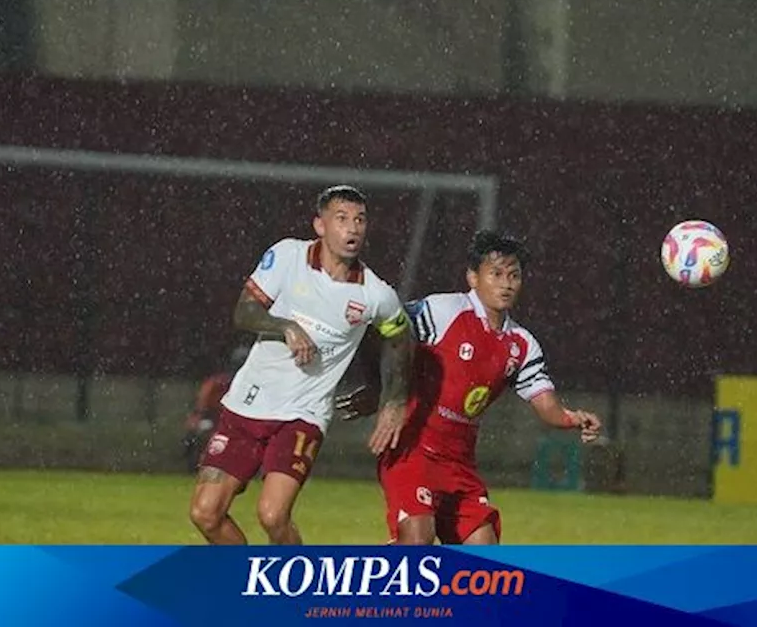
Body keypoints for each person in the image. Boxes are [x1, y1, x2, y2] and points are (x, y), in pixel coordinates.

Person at [187, 185, 414, 545]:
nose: (352, 228)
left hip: (302, 415)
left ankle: (295, 593)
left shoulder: (375, 294)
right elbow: (244, 311)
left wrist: (392, 398)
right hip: (247, 404)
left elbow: (400, 338)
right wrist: (286, 327)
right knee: (205, 513)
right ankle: (250, 584)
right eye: (341, 219)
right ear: (320, 225)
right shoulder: (287, 256)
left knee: (273, 515)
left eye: (360, 220)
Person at [346, 230, 602, 545]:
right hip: (411, 451)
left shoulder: (521, 344)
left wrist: (571, 418)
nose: (506, 283)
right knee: (417, 540)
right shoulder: (442, 311)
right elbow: (385, 330)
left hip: (459, 465)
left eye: (514, 275)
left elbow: (544, 402)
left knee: (485, 555)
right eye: (496, 274)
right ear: (473, 277)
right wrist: (381, 389)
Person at [181, 344, 249, 473]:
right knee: (195, 434)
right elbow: (202, 403)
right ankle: (193, 464)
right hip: (212, 417)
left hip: (231, 419)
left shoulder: (246, 385)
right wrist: (198, 417)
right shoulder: (217, 382)